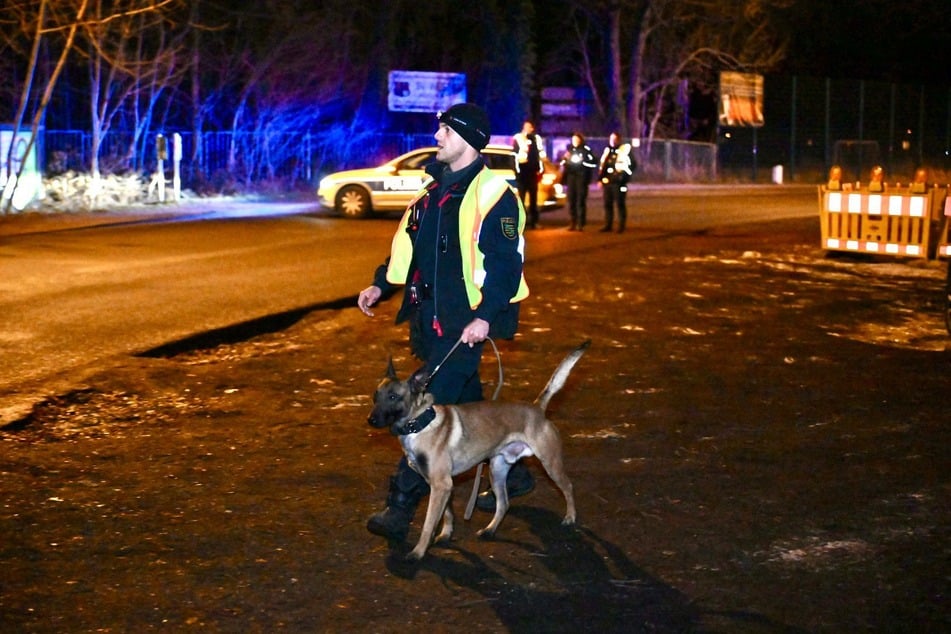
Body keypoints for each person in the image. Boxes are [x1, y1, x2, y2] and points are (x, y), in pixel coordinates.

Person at [357, 102, 535, 542]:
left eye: (445, 132)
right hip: (429, 321)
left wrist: (484, 317)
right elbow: (407, 249)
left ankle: (399, 506)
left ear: (469, 139)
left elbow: (505, 264)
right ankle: (514, 475)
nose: (436, 138)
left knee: (422, 412)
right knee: (466, 397)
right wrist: (381, 285)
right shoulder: (430, 193)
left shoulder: (495, 195)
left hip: (465, 326)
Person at [558, 132, 597, 231]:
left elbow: (594, 163)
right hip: (571, 178)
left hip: (581, 178)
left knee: (580, 201)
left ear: (581, 140)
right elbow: (562, 163)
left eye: (577, 140)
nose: (575, 142)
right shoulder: (569, 151)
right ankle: (573, 222)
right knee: (572, 200)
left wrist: (583, 162)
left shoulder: (586, 150)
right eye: (573, 140)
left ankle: (581, 223)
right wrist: (564, 159)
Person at [598, 132, 635, 233]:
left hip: (619, 183)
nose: (612, 141)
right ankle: (608, 224)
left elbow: (633, 165)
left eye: (615, 139)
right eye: (611, 139)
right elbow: (603, 166)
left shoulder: (624, 151)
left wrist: (624, 177)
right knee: (607, 204)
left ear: (619, 140)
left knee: (620, 204)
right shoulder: (608, 151)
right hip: (608, 182)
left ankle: (621, 226)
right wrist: (600, 179)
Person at [512, 120, 546, 229]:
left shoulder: (536, 139)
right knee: (521, 199)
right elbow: (514, 154)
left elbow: (540, 154)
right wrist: (517, 170)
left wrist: (540, 169)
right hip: (522, 172)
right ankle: (522, 222)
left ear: (532, 128)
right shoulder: (518, 138)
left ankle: (534, 222)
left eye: (529, 127)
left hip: (532, 172)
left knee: (533, 199)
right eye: (525, 127)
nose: (527, 129)